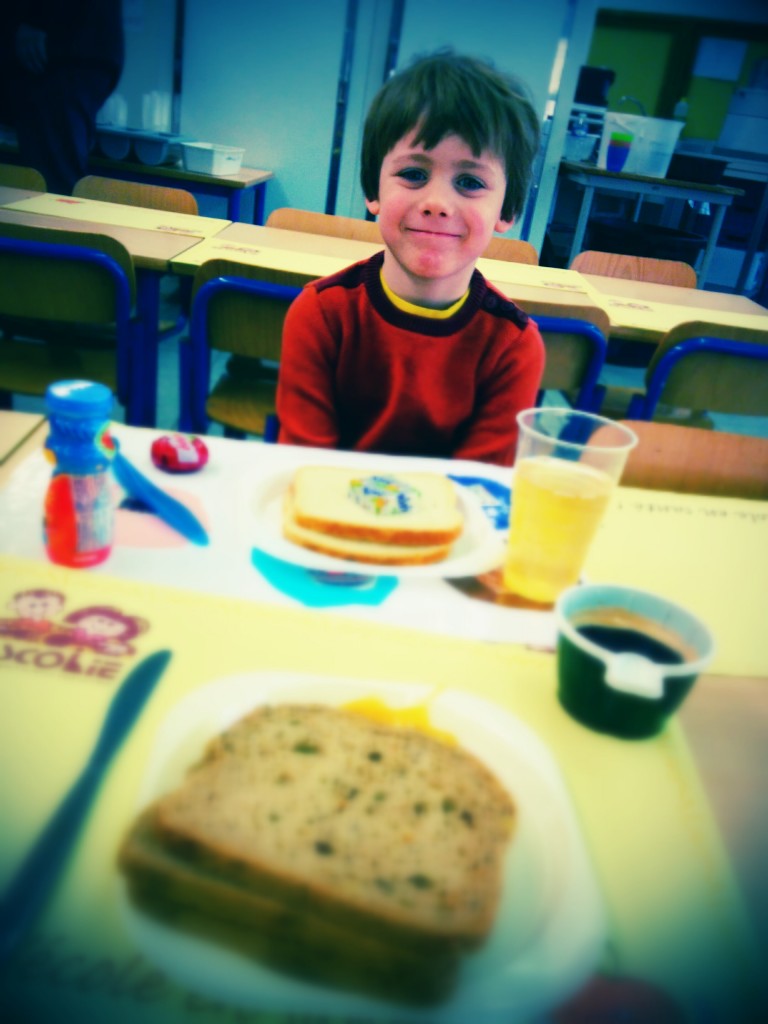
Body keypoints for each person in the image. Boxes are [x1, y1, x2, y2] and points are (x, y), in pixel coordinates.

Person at [276, 50, 545, 466]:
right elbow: (305, 468)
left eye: (470, 181)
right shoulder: (320, 315)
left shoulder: (514, 347)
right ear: (373, 191)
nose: (437, 203)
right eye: (414, 174)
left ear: (506, 210)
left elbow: (475, 489)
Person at [0, 1, 124, 195]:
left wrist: (37, 17)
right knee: (50, 179)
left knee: (52, 185)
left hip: (56, 51)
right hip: (69, 50)